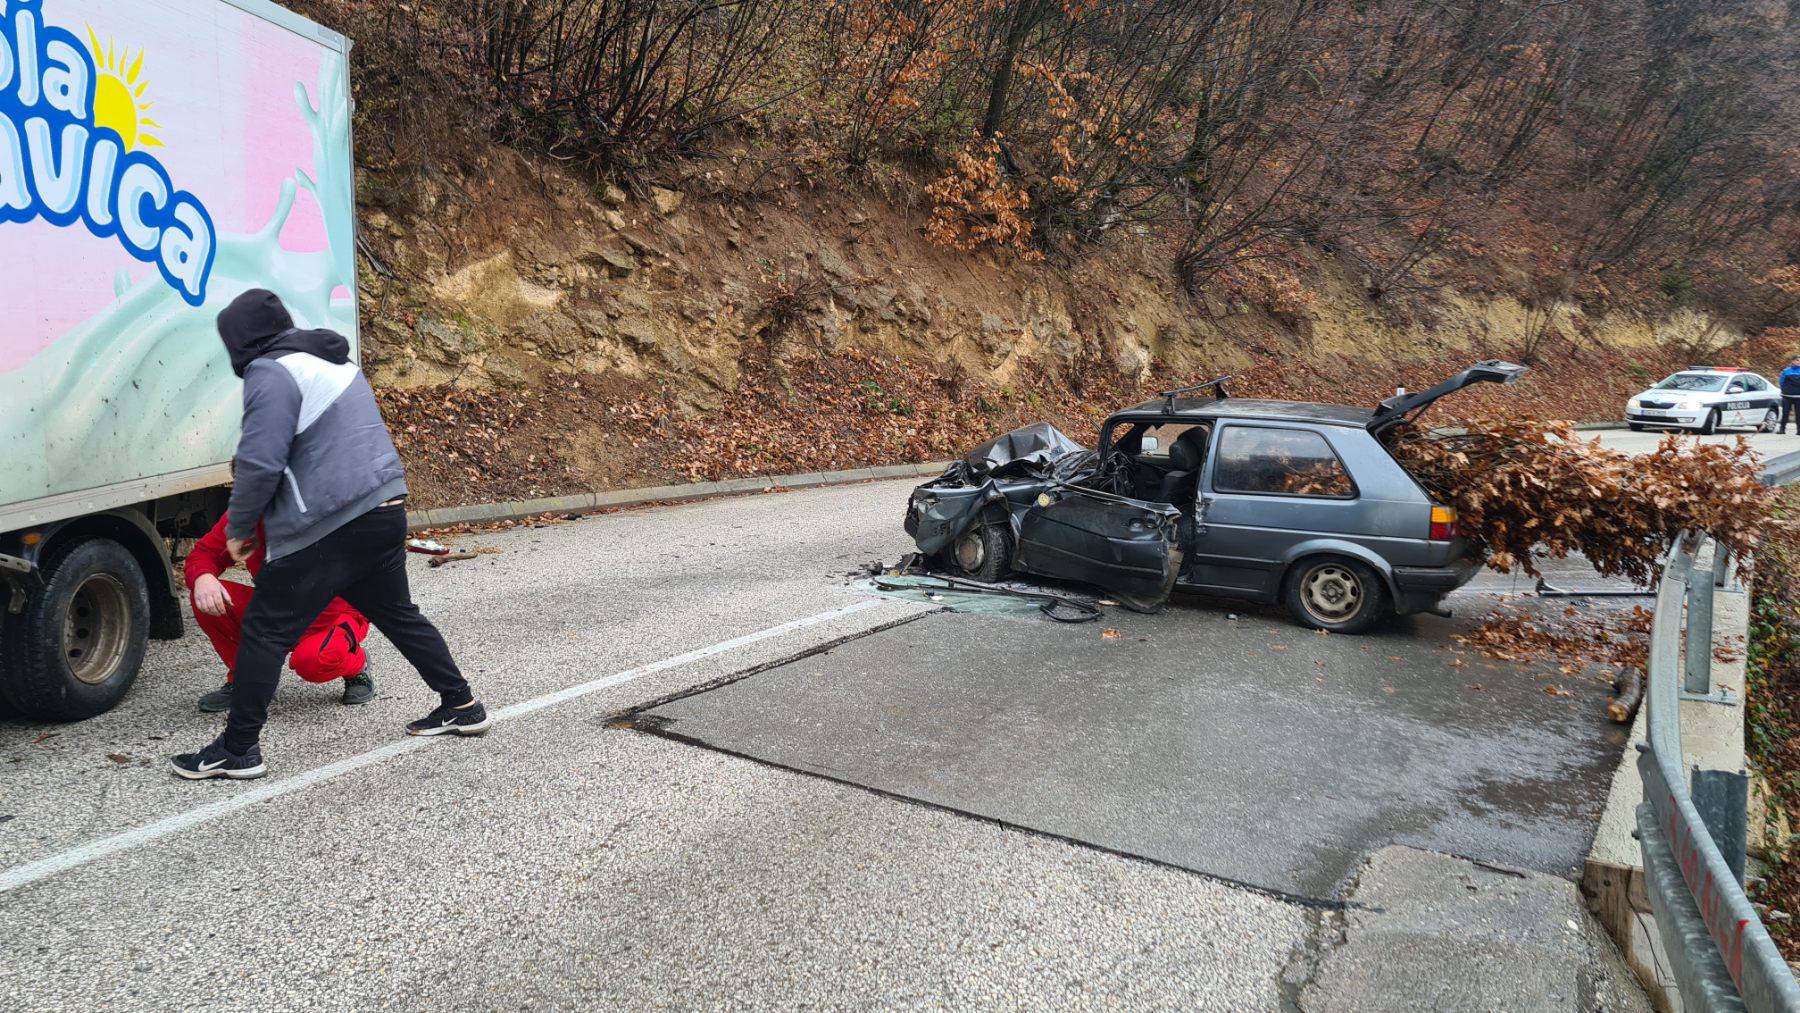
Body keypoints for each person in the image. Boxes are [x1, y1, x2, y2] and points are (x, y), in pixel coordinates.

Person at [172, 290, 491, 781]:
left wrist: (240, 525)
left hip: (329, 523)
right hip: (384, 509)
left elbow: (259, 459)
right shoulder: (334, 363)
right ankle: (462, 704)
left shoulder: (271, 371)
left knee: (264, 631)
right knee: (399, 615)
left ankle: (237, 750)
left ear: (241, 342)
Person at [185, 496, 376, 713]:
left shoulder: (328, 511)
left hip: (338, 609)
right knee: (208, 595)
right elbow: (205, 552)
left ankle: (357, 665)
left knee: (312, 660)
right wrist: (203, 577)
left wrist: (273, 642)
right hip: (277, 607)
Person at [1781, 356, 1800, 435]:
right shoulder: (1786, 371)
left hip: (1798, 397)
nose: (1799, 362)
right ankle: (1782, 429)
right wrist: (1785, 390)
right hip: (1787, 396)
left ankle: (1799, 431)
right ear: (1792, 361)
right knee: (1785, 413)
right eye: (1797, 360)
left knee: (1799, 414)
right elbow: (1781, 382)